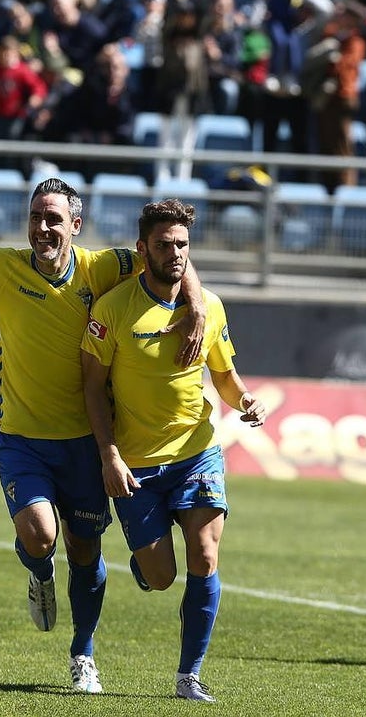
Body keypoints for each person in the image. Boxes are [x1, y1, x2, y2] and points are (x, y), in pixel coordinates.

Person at [0, 175, 205, 694]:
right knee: (41, 534)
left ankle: (83, 654)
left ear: (75, 225)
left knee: (85, 551)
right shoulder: (1, 267)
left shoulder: (102, 267)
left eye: (54, 219)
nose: (43, 228)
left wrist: (195, 305)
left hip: (84, 442)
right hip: (21, 439)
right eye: (36, 217)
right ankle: (38, 570)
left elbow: (168, 255)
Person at [80, 198, 267, 703]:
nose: (176, 253)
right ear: (142, 249)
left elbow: (224, 376)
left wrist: (245, 400)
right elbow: (92, 388)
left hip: (196, 452)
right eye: (164, 244)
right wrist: (109, 455)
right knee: (161, 576)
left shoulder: (210, 307)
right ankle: (147, 567)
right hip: (137, 463)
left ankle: (189, 676)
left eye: (183, 244)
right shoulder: (113, 309)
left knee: (204, 554)